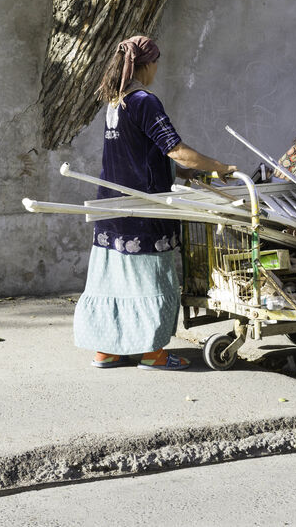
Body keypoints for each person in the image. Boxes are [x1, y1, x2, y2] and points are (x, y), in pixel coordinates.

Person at [73, 35, 237, 371]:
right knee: (151, 280)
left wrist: (185, 174)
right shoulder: (144, 101)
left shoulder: (115, 102)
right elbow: (175, 149)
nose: (157, 69)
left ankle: (107, 350)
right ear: (146, 65)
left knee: (113, 280)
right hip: (144, 210)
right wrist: (221, 167)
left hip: (112, 209)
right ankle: (152, 353)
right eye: (156, 63)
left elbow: (140, 153)